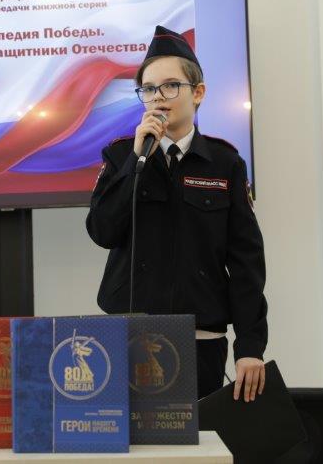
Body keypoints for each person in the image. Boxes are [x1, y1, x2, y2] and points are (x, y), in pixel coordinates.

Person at [86, 25, 268, 402]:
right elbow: (103, 231)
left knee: (197, 437)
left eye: (170, 86)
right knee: (131, 439)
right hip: (127, 334)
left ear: (197, 92)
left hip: (201, 337)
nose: (158, 97)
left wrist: (250, 346)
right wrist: (137, 161)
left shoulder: (225, 163)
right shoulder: (121, 156)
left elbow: (246, 261)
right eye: (149, 89)